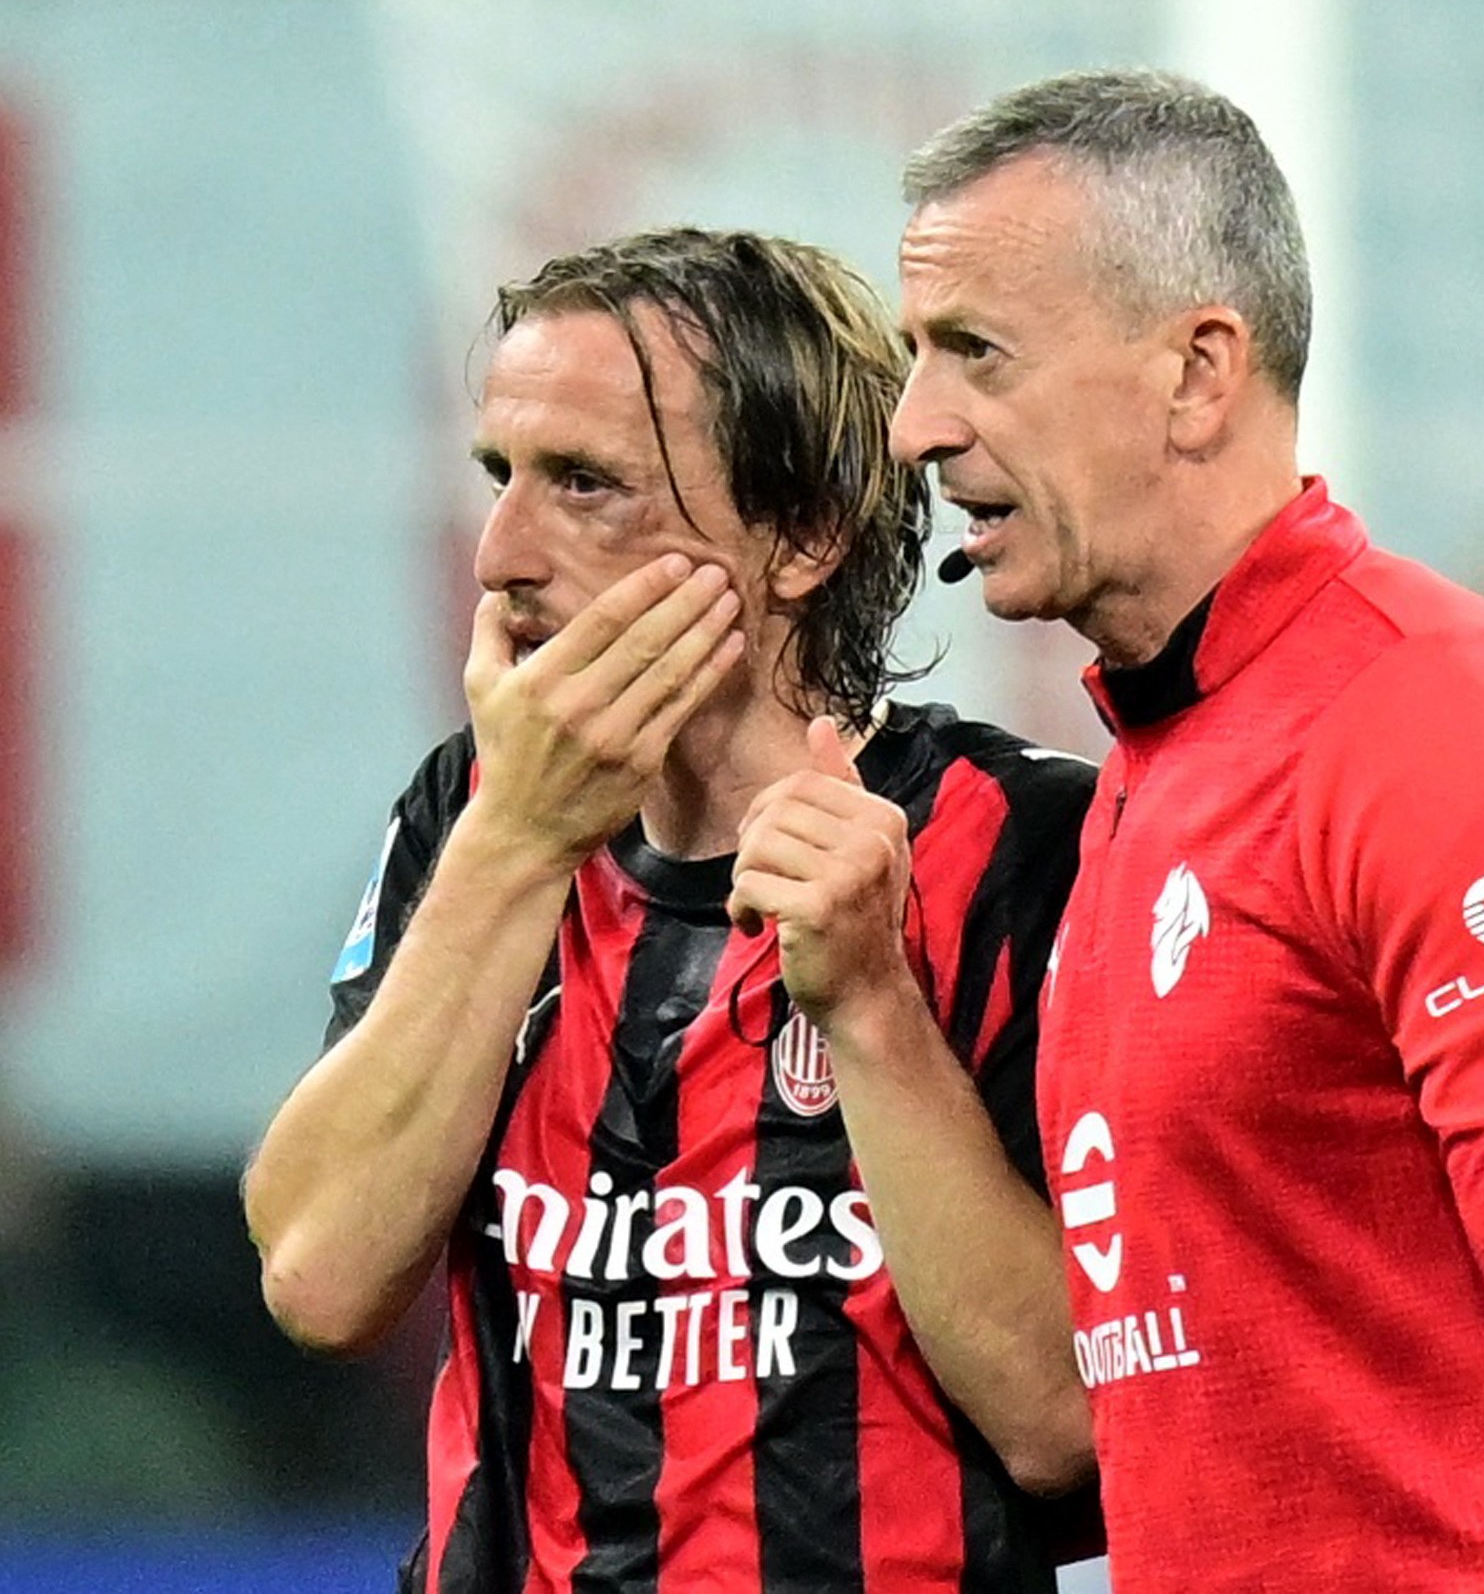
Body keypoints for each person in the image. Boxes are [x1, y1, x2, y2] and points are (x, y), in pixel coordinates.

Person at [891, 68, 1484, 1593]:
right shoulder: (1148, 786)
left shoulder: (1435, 731)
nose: (918, 425)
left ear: (1198, 373)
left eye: (976, 352)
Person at [242, 227, 1097, 1593]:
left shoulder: (1030, 847)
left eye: (585, 484)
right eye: (501, 477)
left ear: (803, 536)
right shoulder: (472, 815)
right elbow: (318, 1276)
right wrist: (516, 844)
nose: (502, 554)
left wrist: (872, 1010)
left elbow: (1067, 1424)